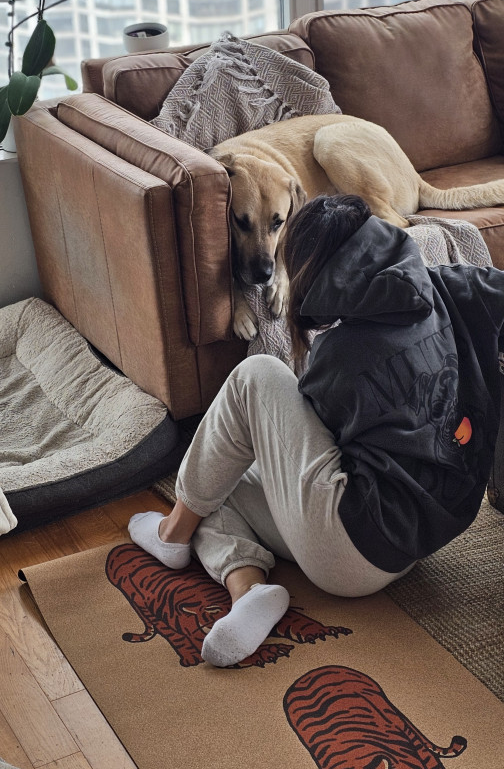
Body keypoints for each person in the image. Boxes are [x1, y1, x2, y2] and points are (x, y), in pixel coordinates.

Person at [129, 194, 504, 668]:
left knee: (256, 377)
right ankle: (249, 591)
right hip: (425, 534)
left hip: (352, 551)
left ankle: (172, 533)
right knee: (220, 482)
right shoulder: (451, 286)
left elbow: (314, 447)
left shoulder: (341, 355)